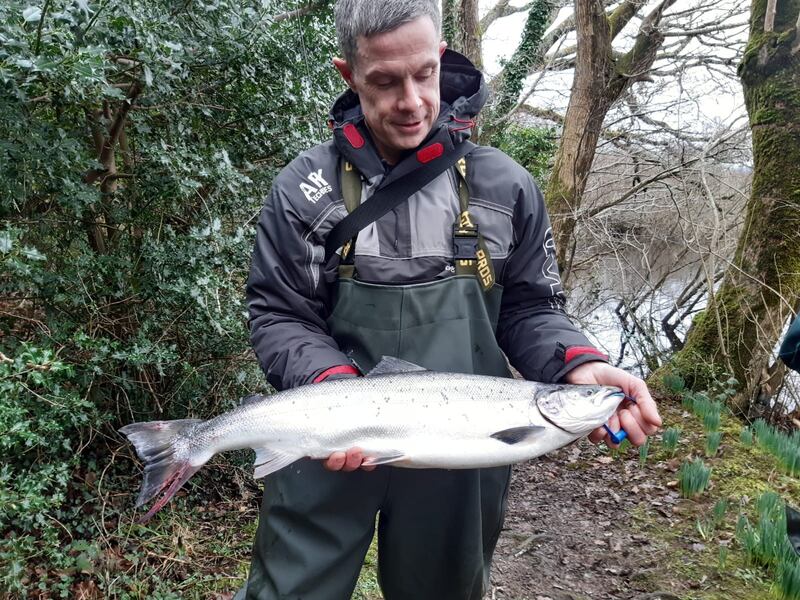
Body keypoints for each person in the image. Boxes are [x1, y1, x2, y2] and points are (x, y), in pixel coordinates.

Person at [237, 1, 662, 598]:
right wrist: (334, 389)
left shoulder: (504, 186)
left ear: (440, 59)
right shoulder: (306, 191)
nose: (410, 101)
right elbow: (280, 314)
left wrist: (579, 363)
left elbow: (531, 308)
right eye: (384, 81)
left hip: (465, 445)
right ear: (348, 75)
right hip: (331, 433)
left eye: (423, 74)